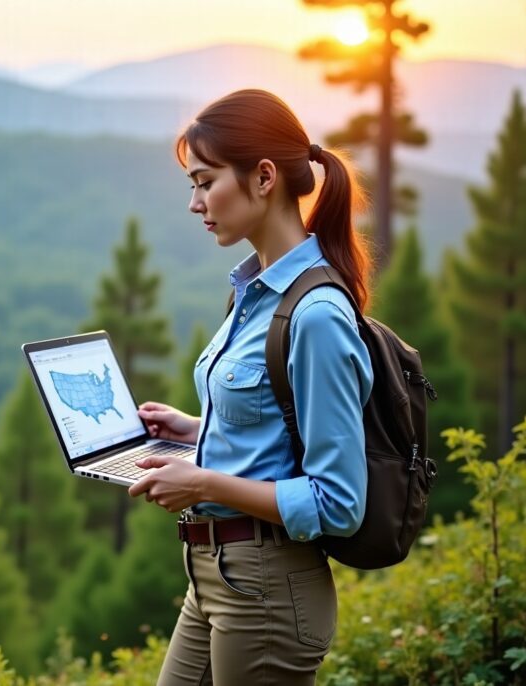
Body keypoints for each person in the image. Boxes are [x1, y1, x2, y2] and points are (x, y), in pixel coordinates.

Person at [126, 88, 374, 685]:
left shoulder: (314, 315)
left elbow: (338, 502)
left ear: (264, 178)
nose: (195, 202)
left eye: (205, 182)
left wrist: (204, 481)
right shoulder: (256, 294)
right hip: (214, 575)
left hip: (266, 587)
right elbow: (277, 424)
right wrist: (198, 429)